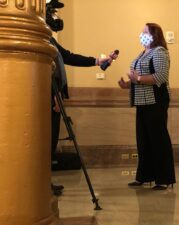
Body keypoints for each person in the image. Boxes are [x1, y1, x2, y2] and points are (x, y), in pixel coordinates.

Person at [46, 0, 114, 195]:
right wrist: (54, 94)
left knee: (50, 141)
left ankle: (45, 182)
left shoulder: (49, 39)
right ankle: (40, 183)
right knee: (45, 140)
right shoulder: (39, 37)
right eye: (53, 12)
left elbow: (68, 56)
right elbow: (45, 71)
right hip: (48, 97)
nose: (56, 17)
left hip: (54, 96)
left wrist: (96, 61)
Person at [118, 23, 176, 190]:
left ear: (154, 35)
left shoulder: (160, 52)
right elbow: (138, 78)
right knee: (143, 140)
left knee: (158, 140)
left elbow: (160, 77)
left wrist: (139, 79)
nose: (141, 34)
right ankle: (144, 176)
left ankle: (163, 179)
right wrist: (127, 85)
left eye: (145, 32)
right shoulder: (142, 53)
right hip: (142, 102)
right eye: (141, 32)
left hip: (156, 101)